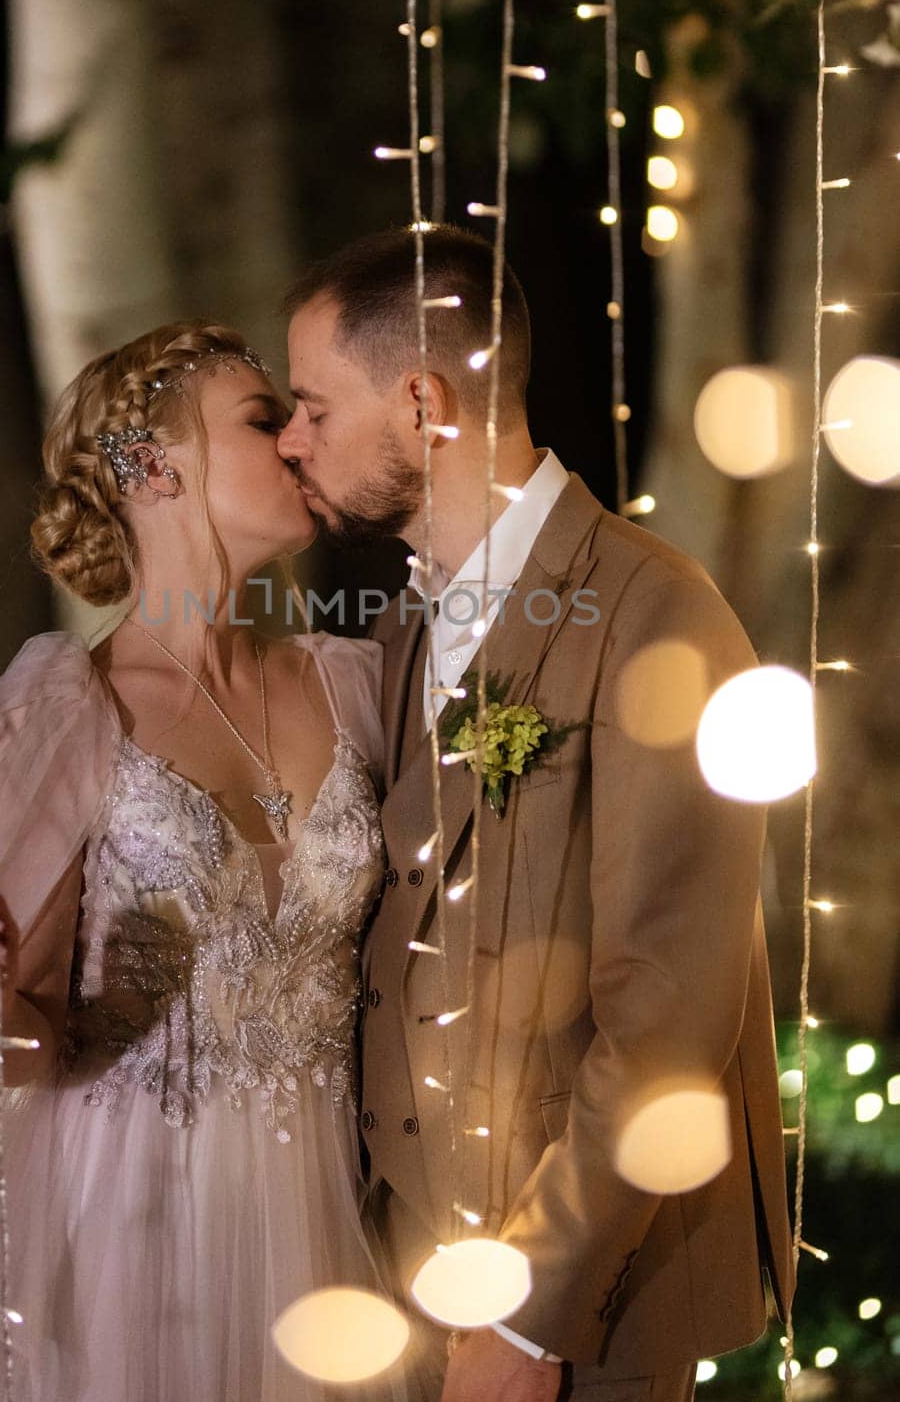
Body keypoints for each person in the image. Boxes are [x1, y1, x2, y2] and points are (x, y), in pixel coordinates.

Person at [0, 321, 411, 1402]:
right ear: (151, 464)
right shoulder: (61, 714)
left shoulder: (358, 685)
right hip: (131, 1235)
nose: (296, 440)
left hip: (335, 1224)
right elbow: (20, 1045)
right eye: (261, 417)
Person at [276, 225, 796, 1402]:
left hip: (585, 1308)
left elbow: (668, 1015)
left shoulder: (659, 618)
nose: (291, 437)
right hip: (402, 1277)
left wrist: (527, 1316)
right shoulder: (403, 628)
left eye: (312, 405)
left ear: (422, 403)